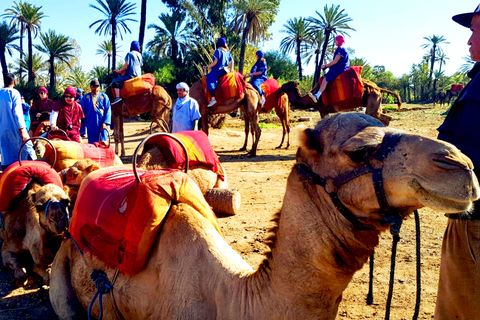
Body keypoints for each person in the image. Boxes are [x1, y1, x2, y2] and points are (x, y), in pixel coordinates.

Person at [434, 4, 480, 319]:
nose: (468, 41)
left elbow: (464, 164)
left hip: (474, 228)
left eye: (474, 30)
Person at [0, 73, 36, 170]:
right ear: (14, 82)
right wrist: (23, 131)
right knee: (25, 151)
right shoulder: (14, 93)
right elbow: (17, 113)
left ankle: (6, 175)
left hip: (2, 131)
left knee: (6, 153)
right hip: (15, 130)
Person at [309, 35, 350, 103]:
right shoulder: (344, 48)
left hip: (339, 68)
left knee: (325, 79)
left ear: (339, 40)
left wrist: (325, 66)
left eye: (336, 40)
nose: (335, 42)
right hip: (342, 67)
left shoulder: (341, 49)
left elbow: (335, 61)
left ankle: (317, 95)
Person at [204, 37, 234, 107]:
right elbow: (232, 61)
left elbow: (215, 62)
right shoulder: (227, 52)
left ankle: (213, 98)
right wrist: (231, 70)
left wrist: (207, 67)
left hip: (217, 70)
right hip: (225, 71)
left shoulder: (218, 51)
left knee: (210, 80)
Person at [80, 79, 111, 144]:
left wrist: (105, 123)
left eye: (97, 86)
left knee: (103, 142)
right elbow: (81, 111)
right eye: (94, 86)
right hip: (91, 124)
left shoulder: (104, 97)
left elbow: (108, 110)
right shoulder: (85, 98)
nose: (95, 88)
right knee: (92, 144)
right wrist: (81, 122)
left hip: (102, 124)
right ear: (91, 87)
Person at [111, 40, 143, 105]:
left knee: (115, 81)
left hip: (131, 75)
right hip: (139, 76)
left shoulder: (129, 54)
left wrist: (119, 71)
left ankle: (117, 97)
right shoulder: (140, 55)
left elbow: (126, 66)